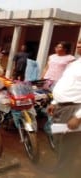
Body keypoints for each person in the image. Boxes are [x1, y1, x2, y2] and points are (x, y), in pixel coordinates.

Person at [46, 39, 81, 177]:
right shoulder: (74, 64)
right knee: (57, 139)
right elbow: (65, 83)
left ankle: (64, 172)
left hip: (74, 109)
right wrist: (54, 102)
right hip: (60, 107)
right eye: (78, 42)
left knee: (68, 144)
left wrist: (78, 117)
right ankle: (61, 168)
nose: (79, 45)